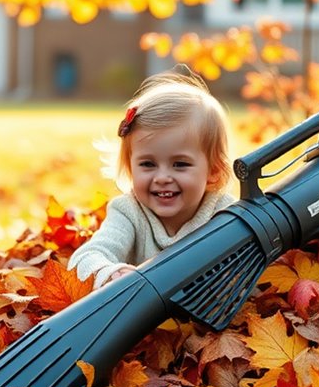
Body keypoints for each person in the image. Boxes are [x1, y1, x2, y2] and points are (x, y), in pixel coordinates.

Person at [68, 68, 236, 290]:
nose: (163, 177)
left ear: (213, 170)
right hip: (140, 320)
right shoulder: (129, 212)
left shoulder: (225, 214)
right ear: (130, 168)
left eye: (180, 164)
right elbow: (85, 258)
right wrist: (112, 274)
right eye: (148, 164)